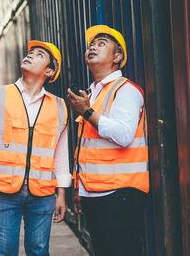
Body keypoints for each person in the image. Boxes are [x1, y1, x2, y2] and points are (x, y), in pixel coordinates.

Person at [0, 40, 71, 256]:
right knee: (5, 251)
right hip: (4, 190)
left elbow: (60, 154)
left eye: (38, 55)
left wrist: (61, 193)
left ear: (49, 70)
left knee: (39, 250)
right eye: (30, 53)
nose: (30, 56)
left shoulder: (59, 106)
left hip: (43, 192)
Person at [67, 25, 149, 256]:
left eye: (101, 43)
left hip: (121, 195)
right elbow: (87, 148)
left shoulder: (125, 90)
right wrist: (80, 189)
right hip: (95, 194)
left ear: (117, 57)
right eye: (91, 45)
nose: (92, 46)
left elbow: (123, 136)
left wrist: (87, 112)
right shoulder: (93, 95)